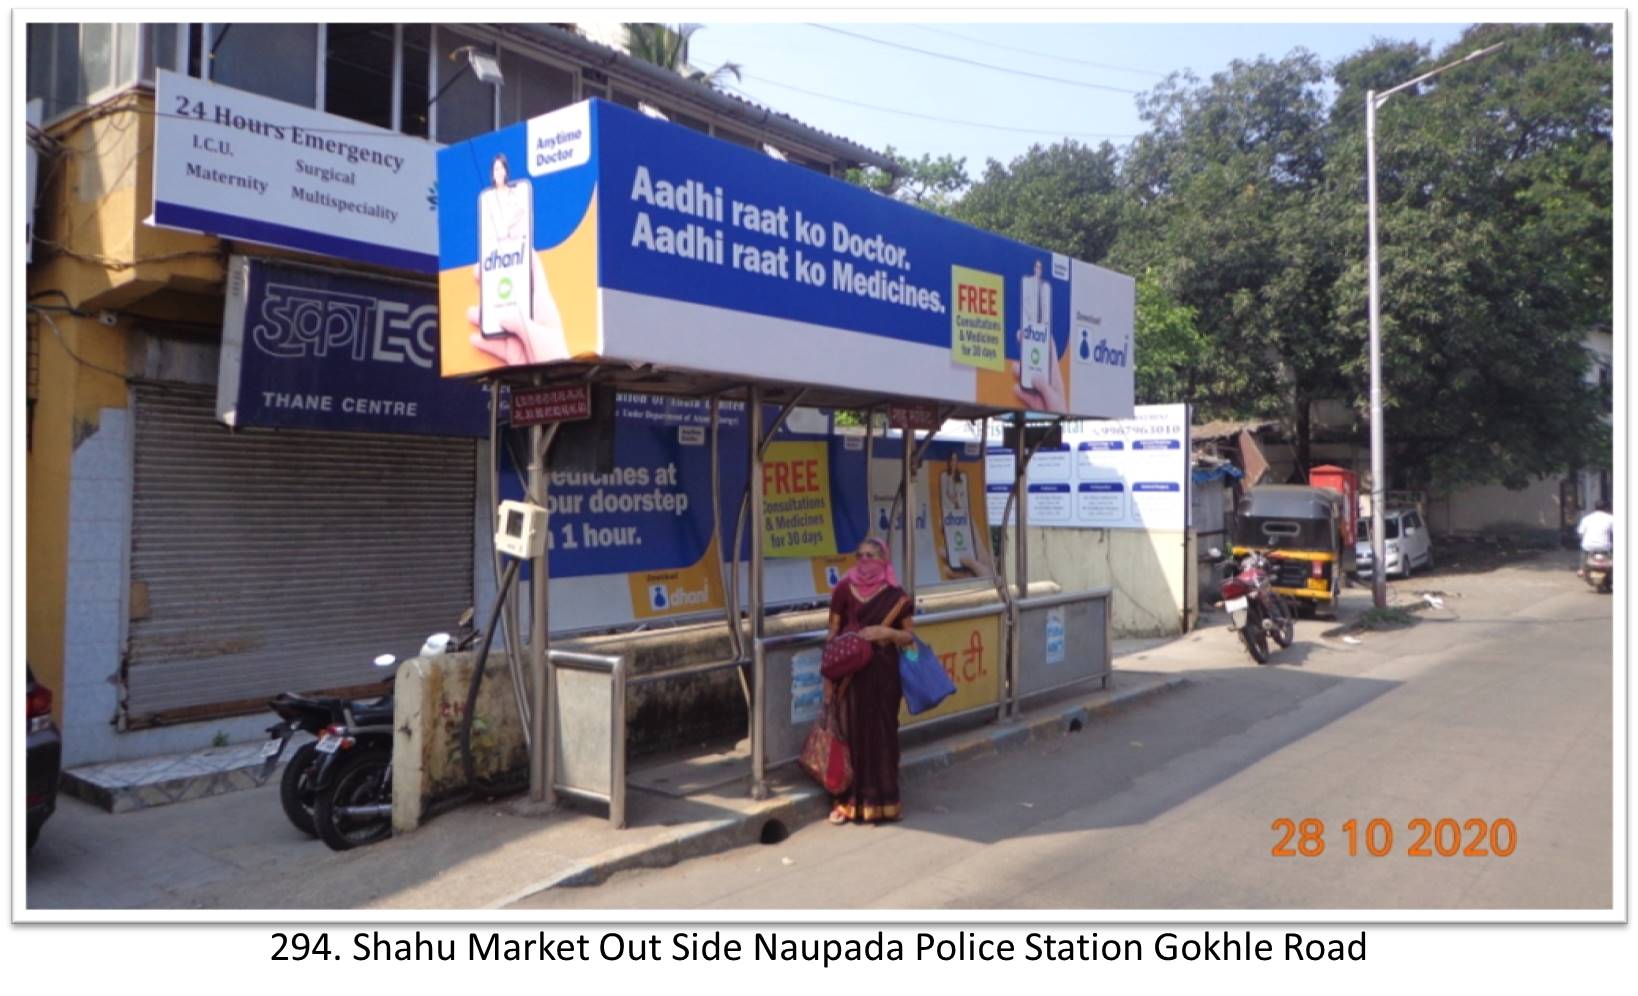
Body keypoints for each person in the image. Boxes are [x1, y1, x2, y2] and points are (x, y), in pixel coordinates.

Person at [823, 537, 914, 825]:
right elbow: (832, 633)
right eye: (860, 555)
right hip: (851, 678)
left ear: (884, 560)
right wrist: (828, 676)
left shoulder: (897, 597)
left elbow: (909, 638)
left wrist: (884, 633)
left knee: (883, 738)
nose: (865, 561)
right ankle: (847, 803)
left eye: (871, 555)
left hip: (884, 678)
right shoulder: (843, 590)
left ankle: (885, 803)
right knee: (851, 738)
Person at [1576, 499, 1614, 575]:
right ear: (1606, 508)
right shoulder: (1611, 518)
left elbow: (1580, 532)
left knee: (1584, 553)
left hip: (1588, 546)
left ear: (1595, 507)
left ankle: (1582, 570)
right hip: (1604, 547)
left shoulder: (1586, 518)